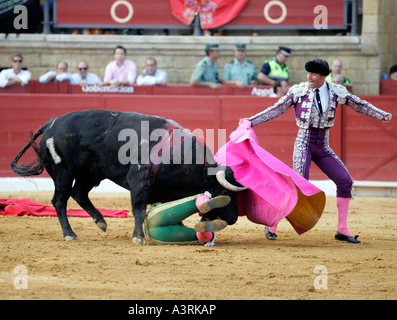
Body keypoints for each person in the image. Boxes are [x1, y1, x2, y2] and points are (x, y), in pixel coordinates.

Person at [245, 59, 392, 244]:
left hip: (323, 146)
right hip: (304, 143)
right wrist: (251, 121)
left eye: (313, 74)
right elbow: (276, 109)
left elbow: (360, 104)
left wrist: (381, 114)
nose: (309, 77)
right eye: (308, 73)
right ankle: (272, 223)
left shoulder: (336, 91)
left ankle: (342, 229)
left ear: (323, 76)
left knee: (345, 181)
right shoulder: (298, 91)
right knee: (299, 186)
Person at [145, 192, 230, 246]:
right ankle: (202, 202)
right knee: (194, 203)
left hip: (156, 236)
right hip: (156, 215)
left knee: (197, 237)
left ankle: (206, 233)